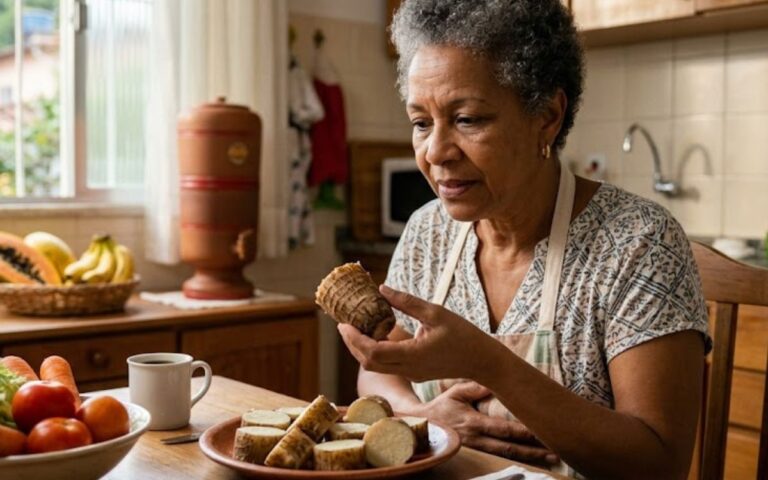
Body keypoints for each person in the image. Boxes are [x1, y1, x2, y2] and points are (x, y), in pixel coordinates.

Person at [337, 1, 710, 478]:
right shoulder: (427, 231)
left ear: (547, 116)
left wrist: (489, 363)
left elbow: (659, 465)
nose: (435, 152)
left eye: (468, 119)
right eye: (421, 123)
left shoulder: (639, 243)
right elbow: (379, 372)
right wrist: (424, 420)